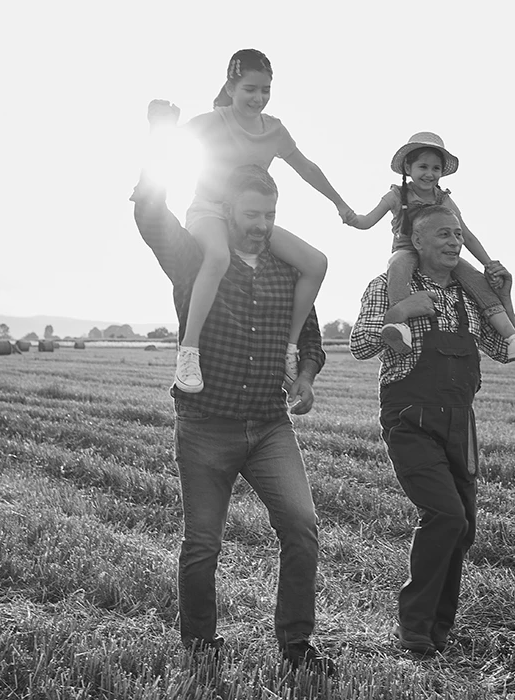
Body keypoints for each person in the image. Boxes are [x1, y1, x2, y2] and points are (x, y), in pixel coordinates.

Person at [130, 162, 334, 673]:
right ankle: (200, 644)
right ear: (227, 210)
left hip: (269, 425)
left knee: (302, 527)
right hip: (205, 425)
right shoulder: (195, 258)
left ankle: (296, 644)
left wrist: (306, 376)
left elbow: (309, 338)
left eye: (269, 214)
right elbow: (153, 220)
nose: (261, 224)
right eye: (251, 213)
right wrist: (158, 149)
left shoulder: (288, 271)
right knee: (202, 543)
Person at [350, 204, 515, 656]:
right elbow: (360, 344)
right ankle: (414, 625)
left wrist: (506, 298)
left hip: (459, 421)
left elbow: (504, 351)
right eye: (443, 235)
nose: (453, 242)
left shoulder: (472, 295)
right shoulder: (387, 285)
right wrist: (403, 310)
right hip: (409, 418)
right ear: (419, 242)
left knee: (462, 527)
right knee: (445, 516)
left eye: (457, 235)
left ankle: (437, 629)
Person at [148, 48, 356, 396]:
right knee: (217, 258)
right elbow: (170, 144)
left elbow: (307, 168)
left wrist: (340, 204)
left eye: (265, 90)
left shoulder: (274, 130)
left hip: (253, 220)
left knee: (316, 263)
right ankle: (189, 350)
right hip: (211, 212)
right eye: (250, 89)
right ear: (231, 87)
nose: (258, 97)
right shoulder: (214, 121)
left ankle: (289, 350)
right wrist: (161, 124)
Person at [346, 132, 515, 361]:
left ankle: (513, 337)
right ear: (408, 168)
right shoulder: (397, 195)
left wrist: (488, 264)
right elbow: (367, 221)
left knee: (477, 280)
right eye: (423, 166)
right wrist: (353, 219)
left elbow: (466, 236)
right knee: (397, 265)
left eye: (436, 168)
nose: (430, 174)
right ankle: (400, 327)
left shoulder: (444, 199)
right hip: (406, 249)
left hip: (440, 255)